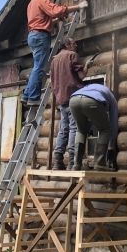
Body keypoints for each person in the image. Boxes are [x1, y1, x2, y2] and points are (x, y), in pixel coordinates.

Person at [22, 0, 87, 106]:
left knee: (36, 66)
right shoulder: (42, 0)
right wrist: (78, 6)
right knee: (39, 68)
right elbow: (55, 11)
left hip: (33, 35)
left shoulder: (31, 3)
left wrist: (56, 20)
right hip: (41, 36)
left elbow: (42, 21)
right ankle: (33, 97)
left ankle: (26, 95)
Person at [50, 38, 89, 170]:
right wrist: (87, 67)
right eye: (74, 43)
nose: (76, 45)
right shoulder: (72, 55)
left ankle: (57, 161)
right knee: (74, 128)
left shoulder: (54, 60)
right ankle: (72, 161)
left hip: (61, 99)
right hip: (73, 97)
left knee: (63, 130)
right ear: (67, 45)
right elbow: (82, 76)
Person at [69, 83, 119, 171]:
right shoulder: (112, 98)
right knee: (105, 129)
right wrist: (111, 145)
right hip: (91, 101)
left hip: (73, 100)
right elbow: (113, 123)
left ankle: (76, 164)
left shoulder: (91, 88)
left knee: (81, 130)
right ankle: (99, 163)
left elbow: (90, 116)